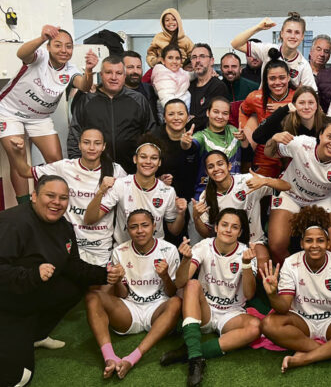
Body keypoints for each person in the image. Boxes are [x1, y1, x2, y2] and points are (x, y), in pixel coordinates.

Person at [0, 175, 124, 387]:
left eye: (63, 198)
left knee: (73, 286)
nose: (57, 202)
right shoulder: (12, 223)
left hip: (17, 301)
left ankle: (34, 335)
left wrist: (104, 274)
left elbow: (72, 266)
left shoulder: (63, 226)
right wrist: (31, 274)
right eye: (50, 195)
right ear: (34, 196)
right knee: (18, 376)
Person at [0, 24, 96, 204]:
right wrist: (41, 37)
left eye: (68, 46)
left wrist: (89, 70)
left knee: (55, 161)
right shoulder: (39, 57)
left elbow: (84, 86)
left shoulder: (70, 70)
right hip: (9, 112)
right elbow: (21, 54)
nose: (63, 50)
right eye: (57, 45)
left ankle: (50, 200)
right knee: (18, 159)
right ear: (48, 46)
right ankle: (24, 206)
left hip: (39, 117)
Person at [259, 206, 331, 372]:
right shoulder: (291, 263)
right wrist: (273, 294)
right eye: (309, 241)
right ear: (302, 243)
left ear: (328, 243)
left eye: (320, 240)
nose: (314, 245)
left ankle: (305, 358)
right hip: (301, 322)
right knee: (268, 324)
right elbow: (283, 309)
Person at [160, 208, 261, 387]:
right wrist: (185, 260)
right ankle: (196, 362)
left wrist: (246, 265)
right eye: (224, 225)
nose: (228, 230)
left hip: (231, 313)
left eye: (234, 227)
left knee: (254, 328)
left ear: (240, 232)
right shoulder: (204, 246)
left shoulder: (246, 253)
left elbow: (249, 294)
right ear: (216, 227)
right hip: (204, 309)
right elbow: (181, 282)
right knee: (192, 284)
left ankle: (192, 352)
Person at [84, 209, 182, 379]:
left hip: (157, 310)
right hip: (129, 309)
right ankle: (110, 358)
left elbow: (172, 292)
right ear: (128, 230)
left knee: (176, 303)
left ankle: (133, 357)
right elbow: (122, 295)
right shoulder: (120, 251)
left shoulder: (169, 250)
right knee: (92, 297)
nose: (140, 230)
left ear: (154, 226)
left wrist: (165, 276)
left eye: (145, 225)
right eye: (134, 227)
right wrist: (118, 280)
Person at [9, 127, 126, 266]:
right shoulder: (65, 167)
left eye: (97, 143)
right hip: (68, 241)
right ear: (79, 145)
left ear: (104, 146)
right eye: (86, 142)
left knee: (99, 285)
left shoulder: (116, 171)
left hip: (100, 244)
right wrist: (18, 152)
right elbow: (24, 171)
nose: (92, 147)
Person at [264, 113, 331, 263]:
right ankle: (296, 276)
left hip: (320, 200)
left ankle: (319, 278)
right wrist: (274, 139)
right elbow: (269, 152)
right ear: (320, 135)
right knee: (277, 246)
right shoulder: (302, 144)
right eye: (330, 137)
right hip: (289, 194)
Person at [193, 150, 291, 267]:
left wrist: (265, 181)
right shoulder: (205, 197)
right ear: (207, 172)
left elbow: (287, 186)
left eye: (220, 164)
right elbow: (206, 233)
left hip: (254, 241)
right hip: (226, 244)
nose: (216, 169)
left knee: (263, 265)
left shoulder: (247, 181)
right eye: (211, 166)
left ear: (229, 166)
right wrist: (196, 217)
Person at [84, 137, 187, 244]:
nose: (148, 161)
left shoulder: (168, 191)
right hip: (123, 251)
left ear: (159, 162)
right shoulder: (121, 185)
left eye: (154, 158)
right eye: (143, 157)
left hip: (154, 253)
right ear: (135, 159)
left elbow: (175, 231)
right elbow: (89, 220)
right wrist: (101, 191)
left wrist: (181, 214)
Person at [68, 56, 157, 174]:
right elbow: (75, 134)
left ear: (124, 76)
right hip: (94, 172)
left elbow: (150, 134)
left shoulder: (138, 100)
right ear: (101, 75)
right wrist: (77, 166)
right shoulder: (86, 100)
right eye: (109, 72)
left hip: (132, 172)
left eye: (119, 73)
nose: (114, 77)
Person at [239, 58, 295, 177]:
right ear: (266, 79)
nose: (277, 82)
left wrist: (283, 107)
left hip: (292, 152)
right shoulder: (256, 97)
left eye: (282, 77)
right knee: (260, 188)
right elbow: (243, 110)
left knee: (290, 190)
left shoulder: (298, 96)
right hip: (265, 152)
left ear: (289, 77)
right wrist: (245, 130)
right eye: (272, 78)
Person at [183, 96, 248, 199]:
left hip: (234, 192)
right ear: (208, 113)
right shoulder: (201, 136)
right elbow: (191, 147)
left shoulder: (234, 131)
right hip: (206, 194)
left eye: (225, 113)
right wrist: (185, 143)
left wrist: (244, 141)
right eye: (216, 112)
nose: (220, 116)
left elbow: (247, 158)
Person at [230, 12, 317, 90]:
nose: (293, 36)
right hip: (263, 104)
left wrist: (285, 105)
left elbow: (312, 97)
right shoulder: (267, 49)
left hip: (289, 107)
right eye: (289, 31)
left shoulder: (303, 65)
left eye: (297, 33)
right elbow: (236, 44)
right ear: (282, 33)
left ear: (302, 37)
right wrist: (258, 27)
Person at [153, 99, 200, 207]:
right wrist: (158, 180)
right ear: (164, 118)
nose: (176, 118)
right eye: (171, 114)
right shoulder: (154, 138)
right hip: (161, 197)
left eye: (180, 114)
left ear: (188, 117)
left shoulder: (197, 135)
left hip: (191, 198)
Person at [251, 86, 328, 147]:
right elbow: (257, 137)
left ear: (317, 105)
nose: (306, 107)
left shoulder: (327, 123)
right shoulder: (286, 123)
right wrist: (284, 109)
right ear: (294, 105)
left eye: (311, 102)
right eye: (301, 103)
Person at [188, 44, 231, 132]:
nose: (197, 60)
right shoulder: (188, 85)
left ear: (211, 61)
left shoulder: (218, 86)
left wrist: (187, 119)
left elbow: (207, 119)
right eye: (194, 57)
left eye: (202, 56)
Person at [152, 44, 193, 113]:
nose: (174, 61)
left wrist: (207, 73)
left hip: (182, 111)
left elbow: (190, 75)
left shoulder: (180, 71)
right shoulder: (162, 76)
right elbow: (167, 101)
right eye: (170, 58)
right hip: (174, 115)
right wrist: (179, 116)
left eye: (177, 58)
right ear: (163, 60)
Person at [123, 51, 160, 122]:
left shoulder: (149, 89)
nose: (135, 71)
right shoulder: (115, 93)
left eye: (139, 67)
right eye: (130, 67)